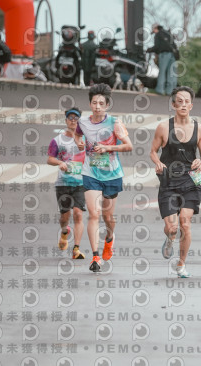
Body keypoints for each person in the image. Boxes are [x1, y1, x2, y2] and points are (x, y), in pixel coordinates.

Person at [150, 86, 201, 278]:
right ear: (174, 104)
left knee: (185, 223)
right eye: (179, 101)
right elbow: (153, 151)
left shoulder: (200, 129)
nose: (183, 104)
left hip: (191, 182)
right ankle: (169, 239)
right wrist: (158, 162)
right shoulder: (163, 127)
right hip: (168, 182)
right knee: (173, 228)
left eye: (187, 101)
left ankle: (181, 264)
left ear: (191, 105)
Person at [78, 84, 133, 272]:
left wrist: (107, 148)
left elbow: (128, 146)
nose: (97, 107)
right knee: (93, 214)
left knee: (107, 217)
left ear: (107, 105)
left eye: (101, 103)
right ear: (90, 104)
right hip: (90, 173)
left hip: (112, 175)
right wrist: (79, 143)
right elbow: (78, 136)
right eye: (94, 103)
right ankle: (95, 256)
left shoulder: (115, 123)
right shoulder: (82, 122)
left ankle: (109, 239)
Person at [47, 109, 86, 260]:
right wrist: (60, 162)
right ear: (66, 121)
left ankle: (76, 249)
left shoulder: (86, 139)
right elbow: (50, 159)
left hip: (81, 183)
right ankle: (64, 232)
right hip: (63, 183)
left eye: (76, 118)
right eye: (70, 118)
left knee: (78, 214)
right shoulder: (57, 140)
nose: (73, 120)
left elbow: (96, 154)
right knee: (65, 217)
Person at [148, 23, 177, 95]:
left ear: (156, 28)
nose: (154, 32)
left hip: (164, 55)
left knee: (162, 72)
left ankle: (160, 90)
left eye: (154, 31)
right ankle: (170, 91)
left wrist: (149, 50)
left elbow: (157, 47)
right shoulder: (168, 33)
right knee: (172, 74)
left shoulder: (158, 34)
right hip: (173, 55)